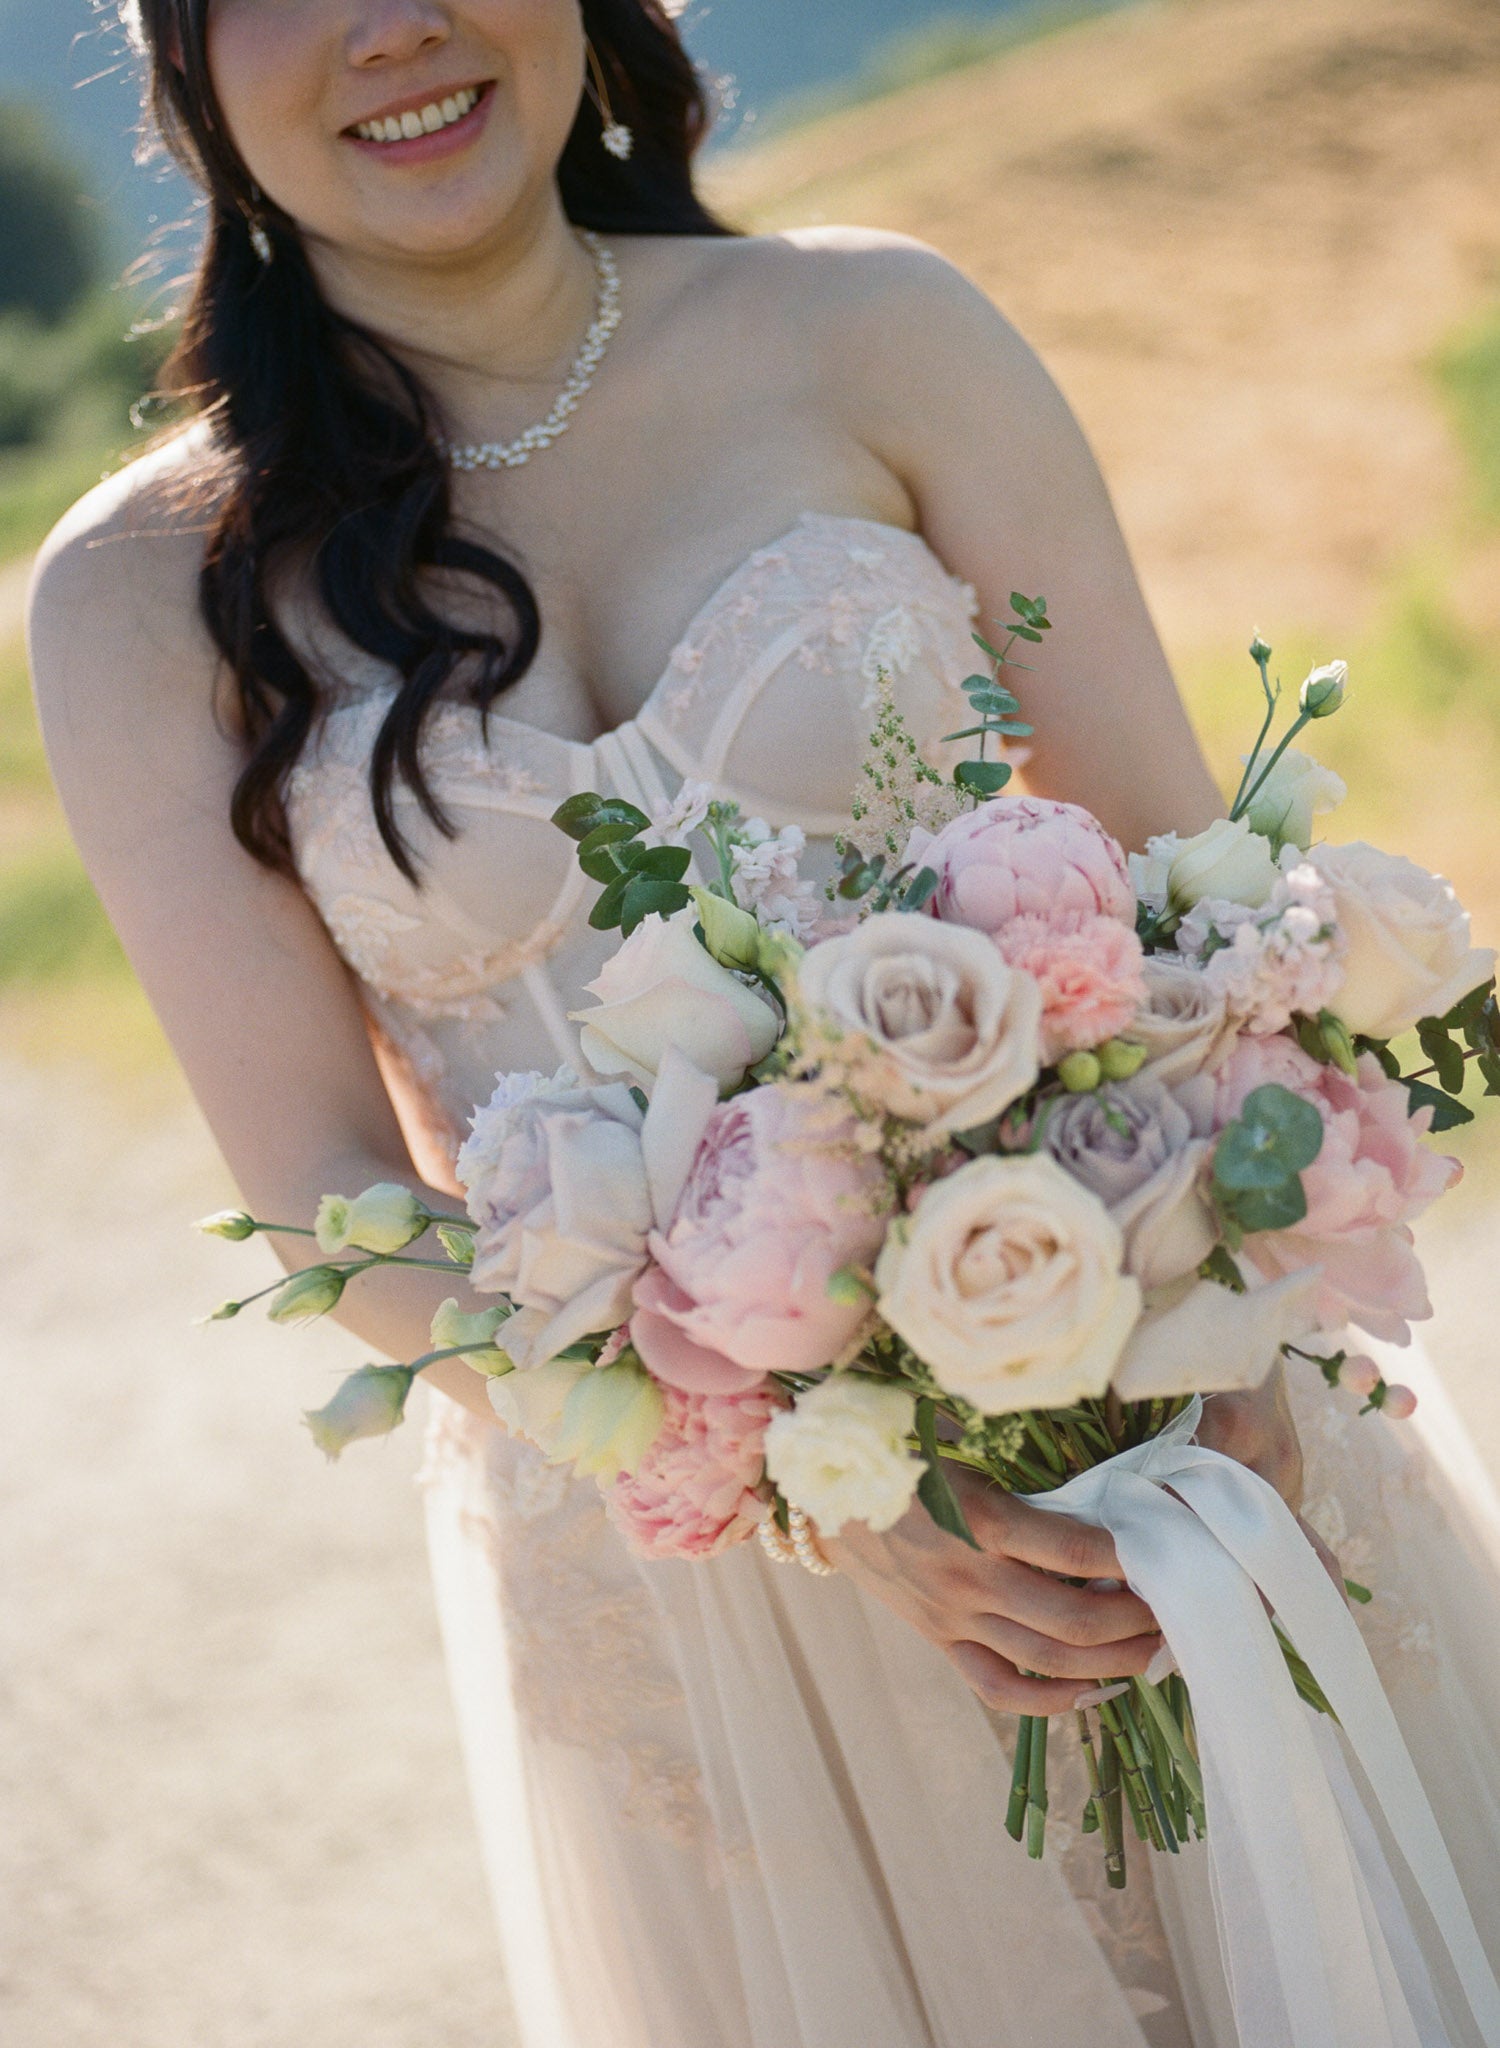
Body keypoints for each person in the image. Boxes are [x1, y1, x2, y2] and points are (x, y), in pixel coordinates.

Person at [26, 5, 1500, 2044]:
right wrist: (816, 1483)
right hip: (699, 1601)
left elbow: (1192, 888)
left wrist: (1234, 1326)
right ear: (179, 52)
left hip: (1163, 1439)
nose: (397, 27)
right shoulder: (134, 602)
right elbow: (328, 1200)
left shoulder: (882, 333)